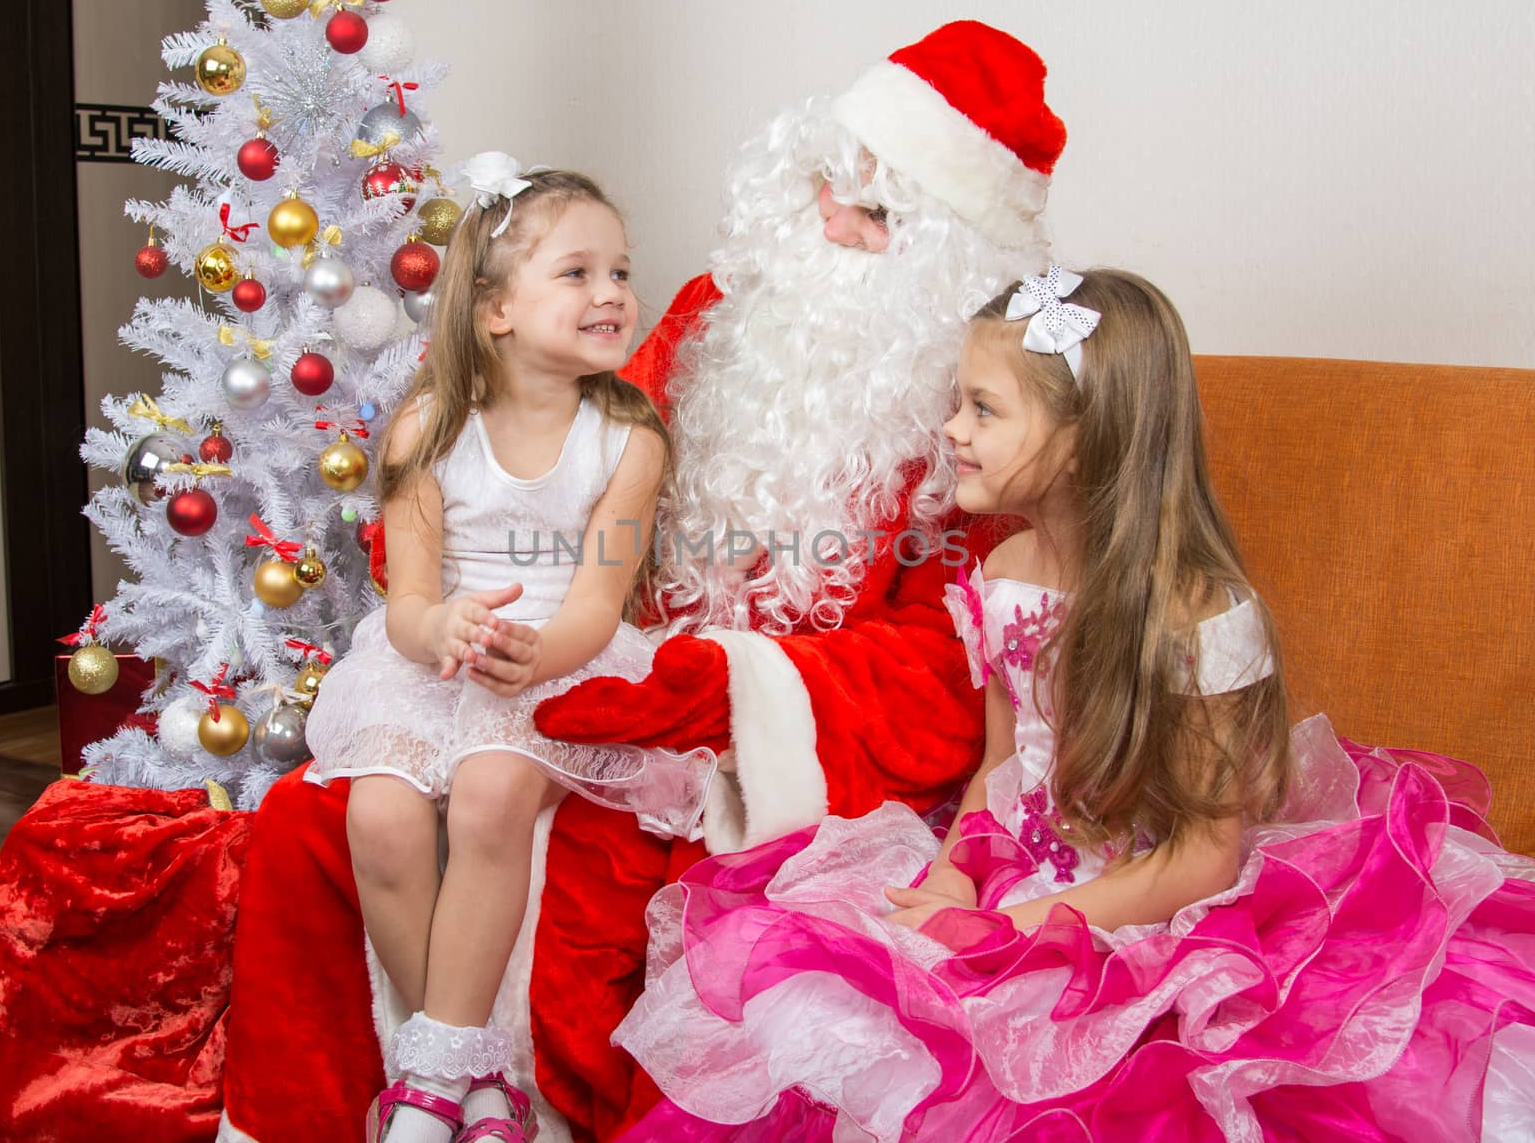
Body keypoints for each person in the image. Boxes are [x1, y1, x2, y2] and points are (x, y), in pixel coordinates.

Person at [220, 20, 1070, 1142]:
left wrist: (723, 689)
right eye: (826, 184)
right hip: (564, 671)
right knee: (318, 822)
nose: (827, 223)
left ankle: (476, 1089)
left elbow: (950, 668)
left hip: (749, 747)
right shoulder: (711, 321)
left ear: (943, 262)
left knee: (561, 857)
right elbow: (519, 475)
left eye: (874, 214)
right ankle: (398, 1091)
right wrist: (449, 599)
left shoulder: (973, 425)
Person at [611, 268, 1535, 1141]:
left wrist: (1012, 931)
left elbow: (1203, 858)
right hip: (1020, 880)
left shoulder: (1199, 615)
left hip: (1154, 906)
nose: (950, 430)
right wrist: (953, 879)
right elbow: (1001, 772)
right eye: (955, 402)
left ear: (1084, 438)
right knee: (820, 988)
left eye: (982, 408)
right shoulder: (1002, 576)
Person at [302, 162, 716, 1143]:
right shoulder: (427, 428)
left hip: (562, 653)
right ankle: (466, 1067)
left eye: (620, 271)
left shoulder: (628, 439)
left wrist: (535, 655)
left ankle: (429, 1089)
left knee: (490, 791)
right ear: (493, 309)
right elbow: (405, 600)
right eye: (577, 273)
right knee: (382, 818)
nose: (613, 293)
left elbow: (598, 598)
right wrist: (440, 628)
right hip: (432, 657)